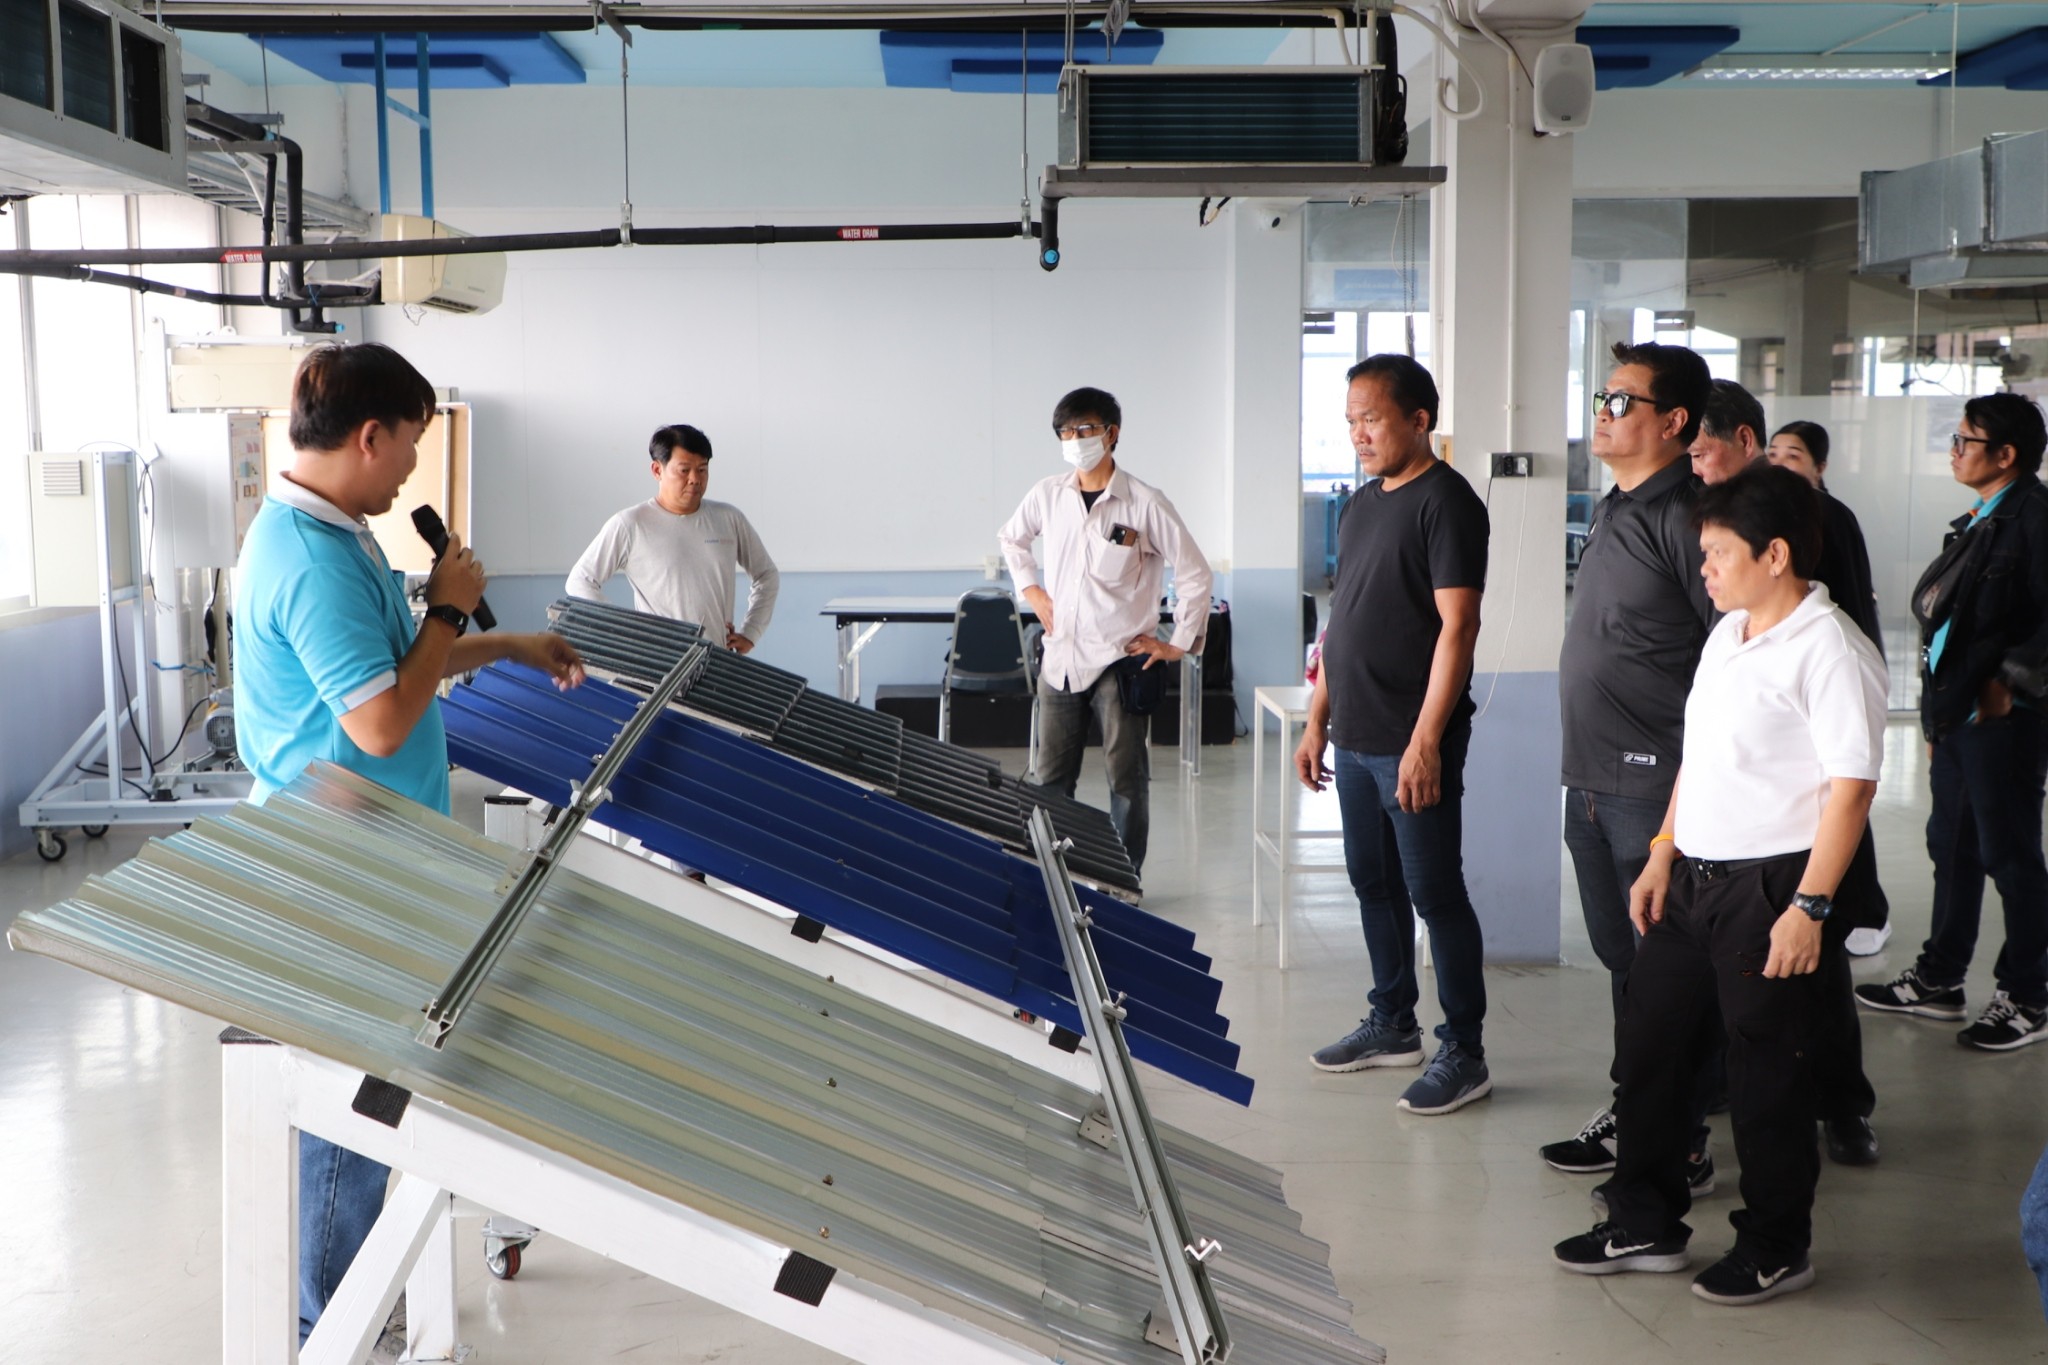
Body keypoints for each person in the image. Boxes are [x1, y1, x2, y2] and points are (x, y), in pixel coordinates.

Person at [234, 342, 586, 1343]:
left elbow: (398, 667)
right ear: (369, 436)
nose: (410, 471)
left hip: (375, 851)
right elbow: (382, 721)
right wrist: (448, 604)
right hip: (342, 870)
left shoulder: (330, 535)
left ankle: (346, 1296)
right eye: (411, 447)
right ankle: (331, 1317)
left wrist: (502, 641)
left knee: (380, 1084)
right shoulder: (312, 562)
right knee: (359, 1091)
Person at [1553, 464, 1888, 1306]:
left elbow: (1852, 789)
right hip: (1691, 877)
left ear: (1775, 554)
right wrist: (1662, 849)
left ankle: (1776, 1245)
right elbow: (1697, 755)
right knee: (1651, 1051)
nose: (1703, 567)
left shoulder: (1831, 648)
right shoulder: (1728, 631)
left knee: (1766, 1073)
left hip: (1771, 887)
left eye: (1717, 552)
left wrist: (1810, 905)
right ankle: (1644, 1220)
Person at [1685, 387, 1884, 1167]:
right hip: (1723, 831)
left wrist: (1810, 897)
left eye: (1704, 450)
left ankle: (1841, 1106)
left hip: (1798, 827)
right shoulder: (1728, 606)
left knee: (1809, 983)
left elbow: (1851, 777)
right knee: (1741, 1012)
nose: (1697, 465)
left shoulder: (1809, 532)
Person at [1299, 354, 1493, 1116]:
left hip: (1410, 742)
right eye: (1351, 420)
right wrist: (1317, 719)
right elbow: (1340, 622)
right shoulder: (1359, 505)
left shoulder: (1447, 503)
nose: (1359, 434)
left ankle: (1465, 1051)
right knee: (1371, 883)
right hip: (1354, 736)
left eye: (1372, 418)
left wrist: (1425, 741)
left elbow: (1459, 627)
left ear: (1419, 419)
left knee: (1435, 893)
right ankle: (1393, 1022)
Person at [1542, 341, 1716, 1177]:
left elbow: (1728, 653)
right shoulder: (1617, 506)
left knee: (1666, 970)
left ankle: (1680, 1137)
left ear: (1673, 421)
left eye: (1621, 401)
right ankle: (1638, 1109)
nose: (1602, 414)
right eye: (1602, 399)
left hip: (1653, 786)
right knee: (1626, 964)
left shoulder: (1689, 517)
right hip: (1590, 779)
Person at [1857, 392, 2048, 1052]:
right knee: (1953, 848)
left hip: (2004, 720)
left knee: (2011, 856)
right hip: (1961, 715)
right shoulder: (1980, 520)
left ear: (2006, 454)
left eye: (1966, 441)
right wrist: (1940, 721)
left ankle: (2029, 994)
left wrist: (2007, 683)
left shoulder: (2034, 518)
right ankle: (1940, 977)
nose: (1954, 450)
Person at [998, 386, 1212, 876]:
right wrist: (1032, 591)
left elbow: (1195, 572)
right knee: (1050, 781)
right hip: (1060, 661)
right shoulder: (1048, 494)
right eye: (1066, 432)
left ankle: (1123, 878)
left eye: (1086, 429)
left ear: (1112, 434)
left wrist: (1178, 643)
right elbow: (1012, 538)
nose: (1075, 440)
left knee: (1126, 783)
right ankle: (1052, 876)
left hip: (1120, 662)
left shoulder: (1144, 503)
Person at [1766, 419, 1889, 960]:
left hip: (1831, 672)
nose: (1778, 463)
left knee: (1845, 794)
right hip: (1801, 676)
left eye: (1792, 455)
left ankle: (1866, 911)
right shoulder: (1784, 513)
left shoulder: (1827, 515)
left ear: (1820, 467)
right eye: (1773, 453)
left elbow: (1849, 602)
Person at [567, 424, 780, 653]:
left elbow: (766, 574)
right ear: (657, 470)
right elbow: (580, 581)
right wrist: (627, 631)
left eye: (702, 469)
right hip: (658, 662)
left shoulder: (728, 519)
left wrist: (751, 632)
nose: (695, 479)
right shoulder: (630, 524)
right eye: (684, 470)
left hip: (717, 660)